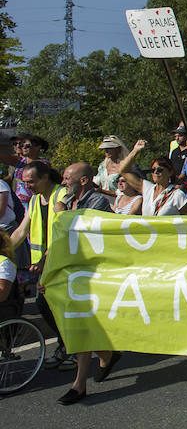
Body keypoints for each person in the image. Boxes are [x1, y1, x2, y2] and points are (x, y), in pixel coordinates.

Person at [53, 163, 119, 405]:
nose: (63, 182)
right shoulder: (70, 201)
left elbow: (80, 232)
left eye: (67, 178)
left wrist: (61, 215)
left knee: (83, 323)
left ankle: (79, 385)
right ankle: (106, 354)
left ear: (83, 180)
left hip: (93, 274)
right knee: (74, 321)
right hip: (72, 273)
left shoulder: (97, 202)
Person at [119, 139, 187, 216]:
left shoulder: (177, 195)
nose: (156, 172)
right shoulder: (147, 188)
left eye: (160, 170)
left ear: (170, 172)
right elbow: (123, 171)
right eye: (153, 170)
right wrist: (136, 150)